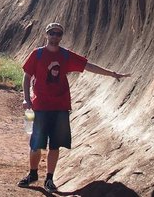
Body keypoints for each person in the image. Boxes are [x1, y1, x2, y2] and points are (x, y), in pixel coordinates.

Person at [18, 22, 131, 192]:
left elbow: (88, 66)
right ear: (46, 34)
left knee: (54, 145)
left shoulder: (65, 55)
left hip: (60, 106)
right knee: (35, 144)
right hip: (39, 106)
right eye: (52, 33)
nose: (55, 36)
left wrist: (112, 73)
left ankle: (49, 179)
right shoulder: (38, 54)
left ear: (61, 36)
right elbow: (26, 77)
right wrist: (27, 99)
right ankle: (33, 174)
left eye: (58, 34)